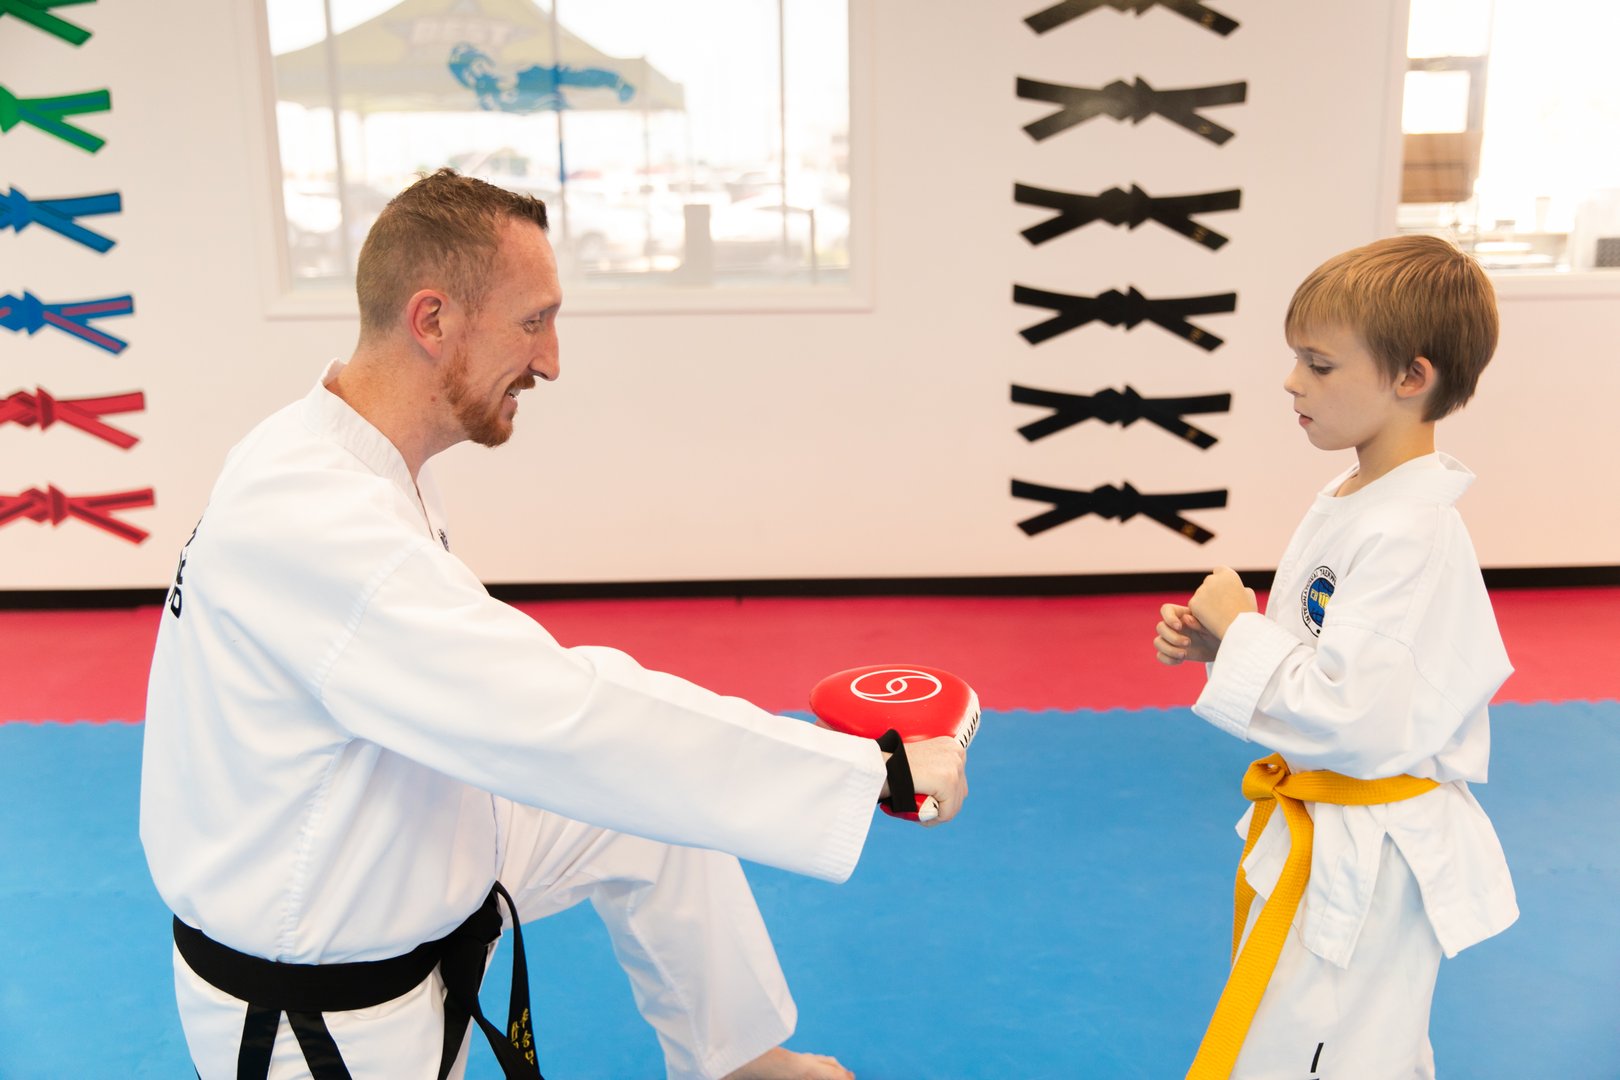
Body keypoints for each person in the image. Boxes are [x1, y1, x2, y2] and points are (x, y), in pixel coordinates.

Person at [139, 168, 968, 1080]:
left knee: (641, 819)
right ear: (432, 320)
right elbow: (558, 715)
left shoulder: (331, 450)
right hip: (326, 1009)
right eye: (533, 321)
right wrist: (869, 770)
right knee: (602, 748)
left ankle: (736, 1061)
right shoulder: (324, 529)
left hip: (390, 854)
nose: (552, 359)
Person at [1151, 235, 1517, 1079]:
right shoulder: (1358, 497)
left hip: (1370, 851)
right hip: (1332, 826)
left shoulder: (1410, 532)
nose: (1292, 383)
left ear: (1410, 379)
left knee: (1330, 1054)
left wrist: (1243, 635)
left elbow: (1353, 715)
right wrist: (1223, 645)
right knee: (1328, 1046)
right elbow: (1327, 657)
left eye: (1319, 365)